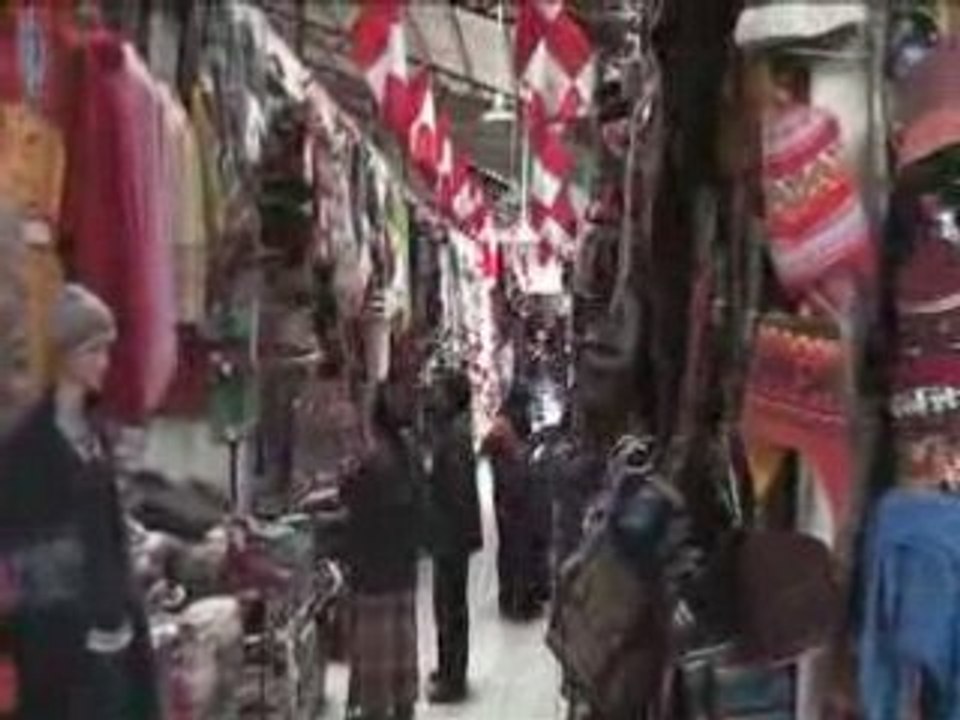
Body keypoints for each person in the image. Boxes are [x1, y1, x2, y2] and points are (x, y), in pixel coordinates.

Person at [0, 284, 159, 719]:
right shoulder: (25, 449)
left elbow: (112, 538)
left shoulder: (97, 438)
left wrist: (127, 614)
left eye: (106, 351)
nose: (103, 363)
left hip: (114, 635)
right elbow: (21, 553)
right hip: (60, 651)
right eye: (94, 351)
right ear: (66, 354)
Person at [342, 385, 422, 720]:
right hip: (402, 569)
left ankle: (376, 711)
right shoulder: (408, 453)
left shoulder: (374, 462)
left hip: (373, 575)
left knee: (376, 658)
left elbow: (352, 500)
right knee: (401, 652)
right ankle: (404, 709)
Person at [426, 372, 481, 704]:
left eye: (439, 390)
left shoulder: (454, 436)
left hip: (451, 537)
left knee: (449, 607)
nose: (433, 395)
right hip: (452, 535)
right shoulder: (453, 430)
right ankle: (449, 669)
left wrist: (445, 534)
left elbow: (456, 493)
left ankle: (452, 679)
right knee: (449, 606)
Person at [483, 383, 541, 620]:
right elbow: (497, 452)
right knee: (515, 550)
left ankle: (515, 599)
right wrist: (523, 451)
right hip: (510, 498)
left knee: (514, 549)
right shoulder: (503, 426)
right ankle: (516, 602)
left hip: (514, 496)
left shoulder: (507, 423)